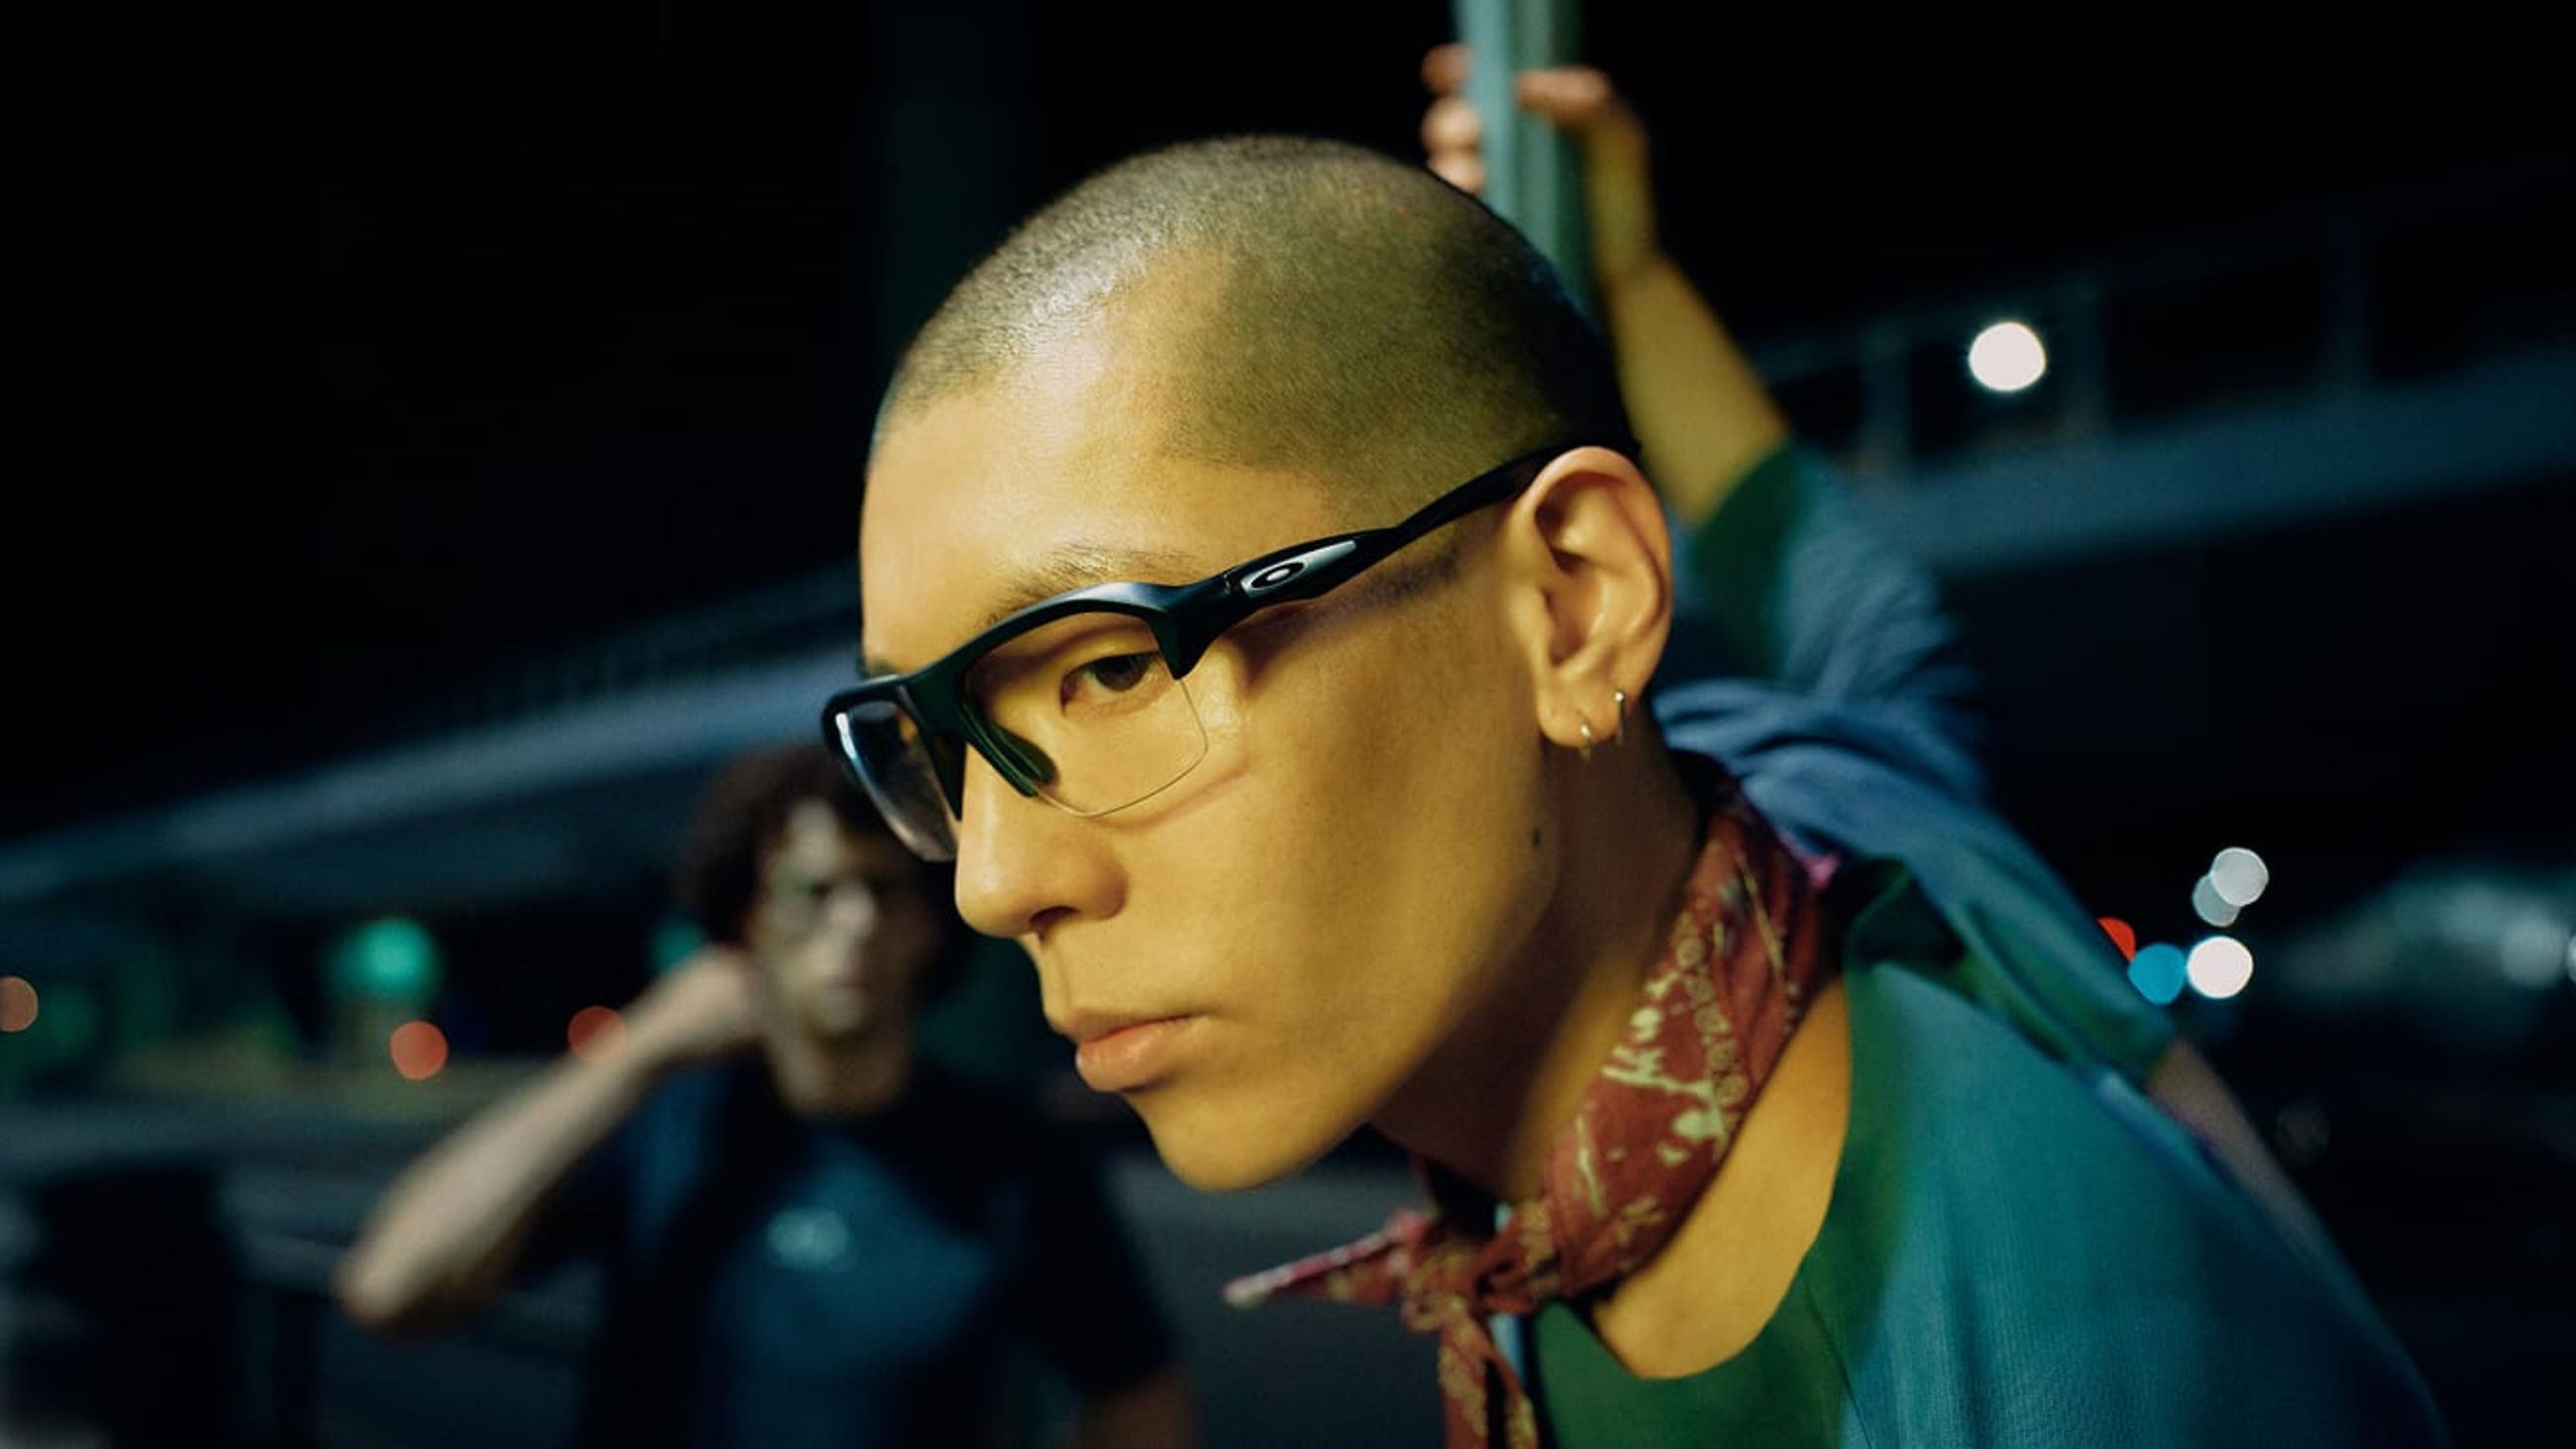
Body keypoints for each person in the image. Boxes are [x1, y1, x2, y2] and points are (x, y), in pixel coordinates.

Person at [829, 101, 2446, 1448]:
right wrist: (1630, 273)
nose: (993, 880)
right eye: (938, 742)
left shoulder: (2076, 1370)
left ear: (1573, 605)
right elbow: (1870, 627)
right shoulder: (1838, 807)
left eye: (1113, 665)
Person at [335, 744, 1194, 1449]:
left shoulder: (1013, 1159)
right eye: (813, 892)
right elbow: (390, 1287)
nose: (853, 924)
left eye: (883, 889)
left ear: (929, 924)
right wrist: (636, 1049)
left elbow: (1141, 1399)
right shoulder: (667, 1124)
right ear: (747, 919)